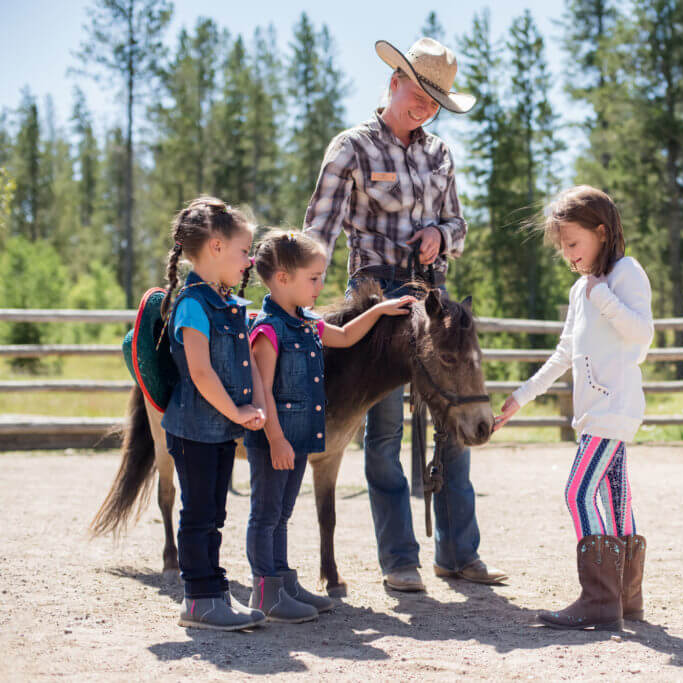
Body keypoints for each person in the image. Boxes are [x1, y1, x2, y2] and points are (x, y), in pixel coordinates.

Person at [304, 37, 506, 592]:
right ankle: (400, 559)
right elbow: (317, 231)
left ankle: (459, 554)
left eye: (434, 102)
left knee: (454, 423)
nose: (425, 109)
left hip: (432, 305)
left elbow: (459, 228)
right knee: (385, 430)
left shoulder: (440, 154)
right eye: (418, 95)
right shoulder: (352, 147)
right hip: (374, 304)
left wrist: (440, 236)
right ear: (394, 83)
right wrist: (298, 295)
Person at [494, 186, 654, 631]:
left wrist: (602, 294)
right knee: (614, 497)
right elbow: (565, 351)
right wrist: (520, 396)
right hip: (595, 412)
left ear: (601, 232)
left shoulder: (625, 274)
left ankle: (599, 600)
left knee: (578, 491)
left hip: (613, 407)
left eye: (573, 244)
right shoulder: (579, 290)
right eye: (562, 247)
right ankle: (626, 597)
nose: (568, 255)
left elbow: (641, 335)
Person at [241, 230, 416, 621]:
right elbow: (262, 392)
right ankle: (264, 590)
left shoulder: (307, 322)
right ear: (283, 279)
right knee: (266, 513)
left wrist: (379, 311)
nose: (321, 286)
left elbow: (345, 335)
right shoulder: (268, 331)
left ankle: (283, 581)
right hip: (277, 441)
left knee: (282, 513)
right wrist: (276, 439)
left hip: (297, 439)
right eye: (314, 278)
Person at [159, 196, 268, 631]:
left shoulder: (222, 302)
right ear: (217, 248)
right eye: (244, 251)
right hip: (194, 431)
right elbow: (202, 374)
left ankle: (215, 590)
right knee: (200, 513)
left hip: (217, 429)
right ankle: (198, 599)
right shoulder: (192, 305)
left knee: (214, 514)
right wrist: (240, 411)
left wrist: (245, 411)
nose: (250, 260)